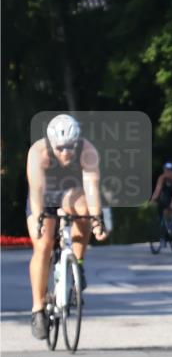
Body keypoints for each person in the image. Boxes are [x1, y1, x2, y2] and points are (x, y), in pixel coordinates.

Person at [25, 114, 107, 339]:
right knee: (43, 246)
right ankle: (37, 309)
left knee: (85, 210)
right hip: (43, 195)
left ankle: (77, 264)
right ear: (51, 143)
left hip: (71, 192)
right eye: (60, 148)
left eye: (70, 146)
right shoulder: (38, 152)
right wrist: (39, 219)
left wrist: (97, 219)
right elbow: (36, 191)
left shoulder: (87, 150)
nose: (65, 152)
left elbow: (92, 187)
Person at [150, 162, 172, 231]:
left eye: (170, 170)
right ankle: (164, 222)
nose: (168, 172)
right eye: (166, 170)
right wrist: (153, 199)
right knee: (164, 205)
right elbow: (158, 189)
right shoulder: (162, 177)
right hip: (166, 194)